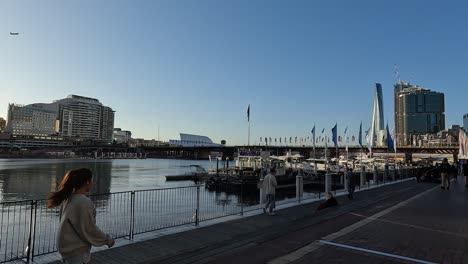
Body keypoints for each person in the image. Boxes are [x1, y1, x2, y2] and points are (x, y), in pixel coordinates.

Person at [48, 168, 115, 264]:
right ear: (87, 182)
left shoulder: (68, 199)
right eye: (91, 180)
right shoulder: (83, 202)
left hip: (67, 250)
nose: (92, 183)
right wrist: (108, 240)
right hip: (77, 252)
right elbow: (89, 228)